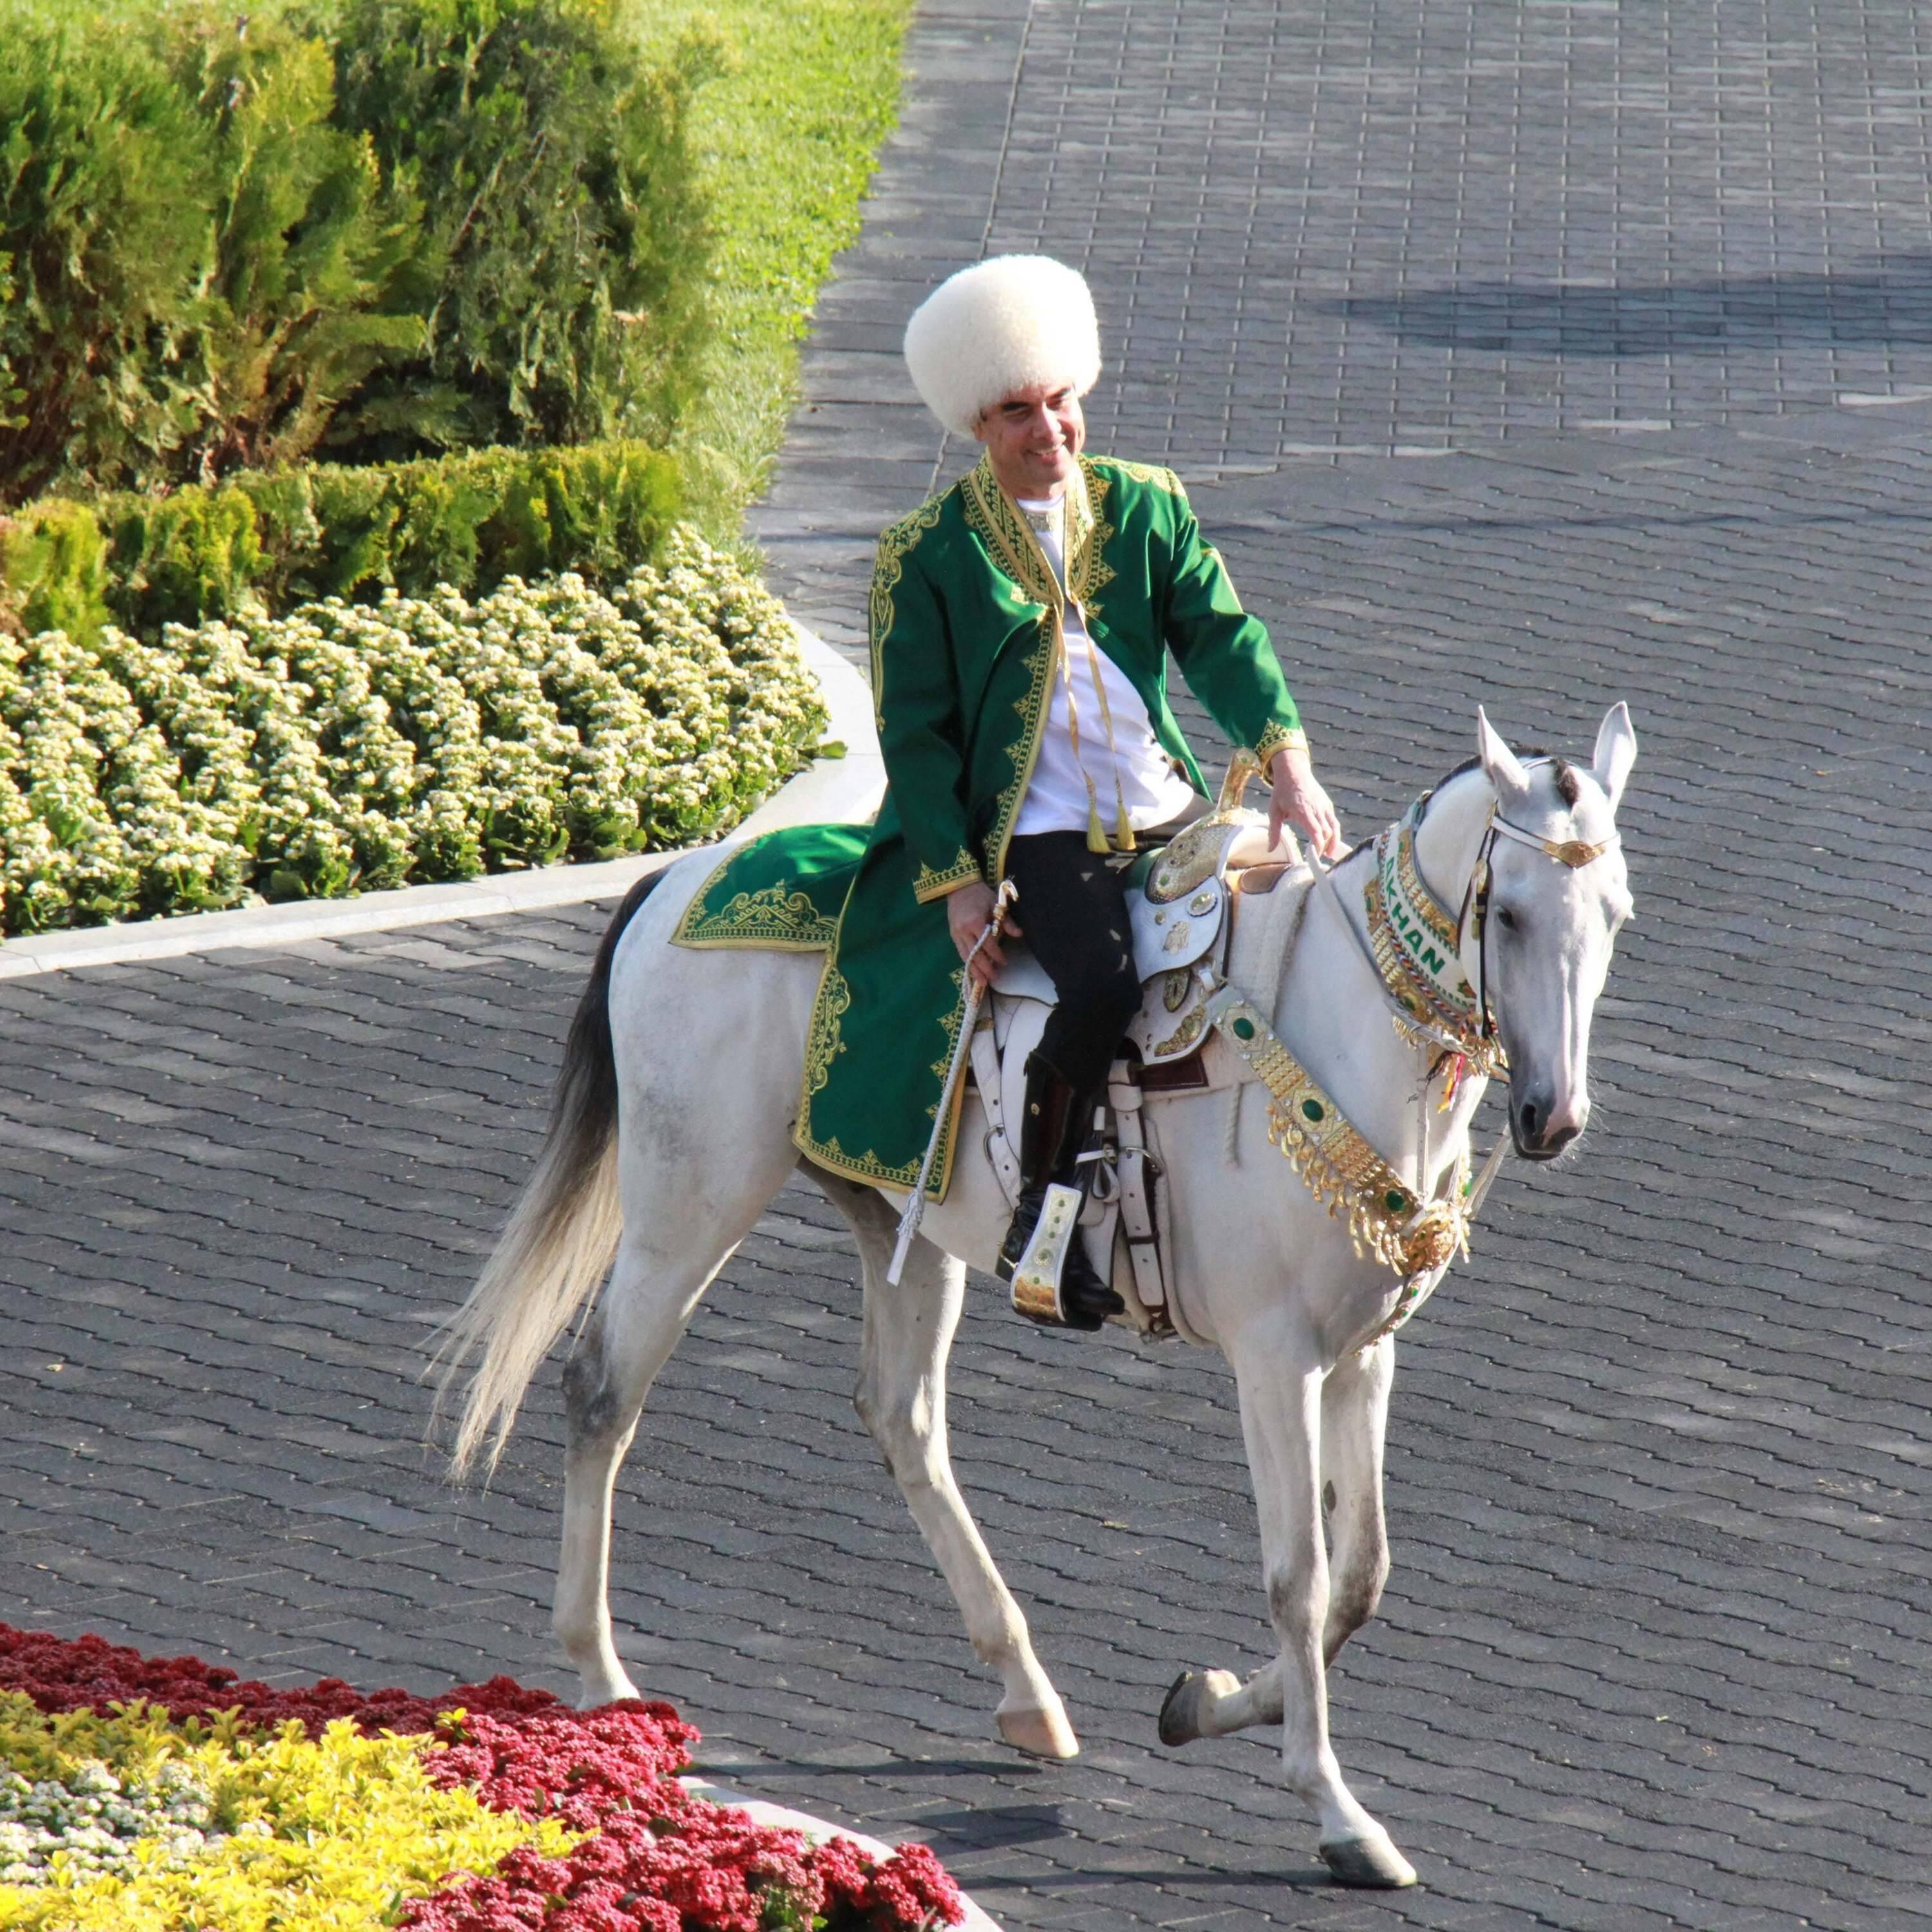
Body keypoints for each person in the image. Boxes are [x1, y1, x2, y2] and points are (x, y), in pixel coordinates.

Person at [776, 255, 1343, 1328]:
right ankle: (1046, 1220)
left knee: (1293, 936)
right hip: (1039, 835)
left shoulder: (1145, 506)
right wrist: (955, 888)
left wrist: (1287, 760)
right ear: (974, 426)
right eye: (1017, 413)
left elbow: (1223, 638)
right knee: (1102, 991)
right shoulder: (926, 558)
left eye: (1061, 402)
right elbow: (920, 739)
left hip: (1166, 802)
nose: (1050, 432)